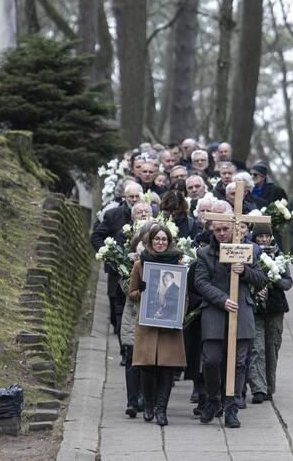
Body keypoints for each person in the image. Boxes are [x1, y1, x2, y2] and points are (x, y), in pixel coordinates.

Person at [194, 220, 266, 428]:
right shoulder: (205, 253)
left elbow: (261, 279)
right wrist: (222, 299)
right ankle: (214, 398)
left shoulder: (247, 251)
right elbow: (200, 282)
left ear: (235, 230)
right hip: (215, 312)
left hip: (241, 312)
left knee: (239, 363)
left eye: (226, 229)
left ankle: (231, 407)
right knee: (211, 360)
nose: (222, 233)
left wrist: (244, 271)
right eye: (217, 230)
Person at [129, 224, 187, 426]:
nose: (161, 243)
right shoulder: (140, 265)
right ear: (150, 241)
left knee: (167, 368)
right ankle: (149, 404)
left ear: (169, 242)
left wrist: (179, 311)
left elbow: (184, 296)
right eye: (157, 239)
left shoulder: (178, 265)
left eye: (164, 239)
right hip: (147, 324)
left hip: (169, 326)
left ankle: (161, 410)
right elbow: (132, 293)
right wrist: (142, 292)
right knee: (147, 367)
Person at [247, 224, 292, 404]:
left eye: (267, 236)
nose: (264, 239)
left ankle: (269, 387)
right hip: (256, 308)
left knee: (272, 347)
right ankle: (258, 388)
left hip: (275, 308)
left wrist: (274, 275)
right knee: (256, 347)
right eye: (260, 237)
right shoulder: (251, 253)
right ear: (255, 238)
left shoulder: (278, 255)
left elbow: (288, 283)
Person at [91, 182, 141, 334]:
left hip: (138, 271)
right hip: (117, 271)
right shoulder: (113, 214)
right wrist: (109, 254)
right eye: (130, 196)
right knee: (115, 306)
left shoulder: (148, 213)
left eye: (136, 196)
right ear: (124, 197)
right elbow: (96, 236)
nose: (133, 199)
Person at [120, 217, 153, 418]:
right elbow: (125, 286)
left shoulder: (163, 256)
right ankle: (132, 401)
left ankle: (146, 397)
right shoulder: (132, 258)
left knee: (148, 360)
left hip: (153, 316)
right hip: (134, 313)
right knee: (132, 358)